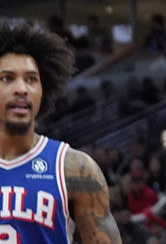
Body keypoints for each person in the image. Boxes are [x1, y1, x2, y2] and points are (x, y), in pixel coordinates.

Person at [0, 22, 122, 244]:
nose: (22, 89)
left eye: (31, 79)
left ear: (43, 89)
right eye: (7, 78)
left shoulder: (75, 168)